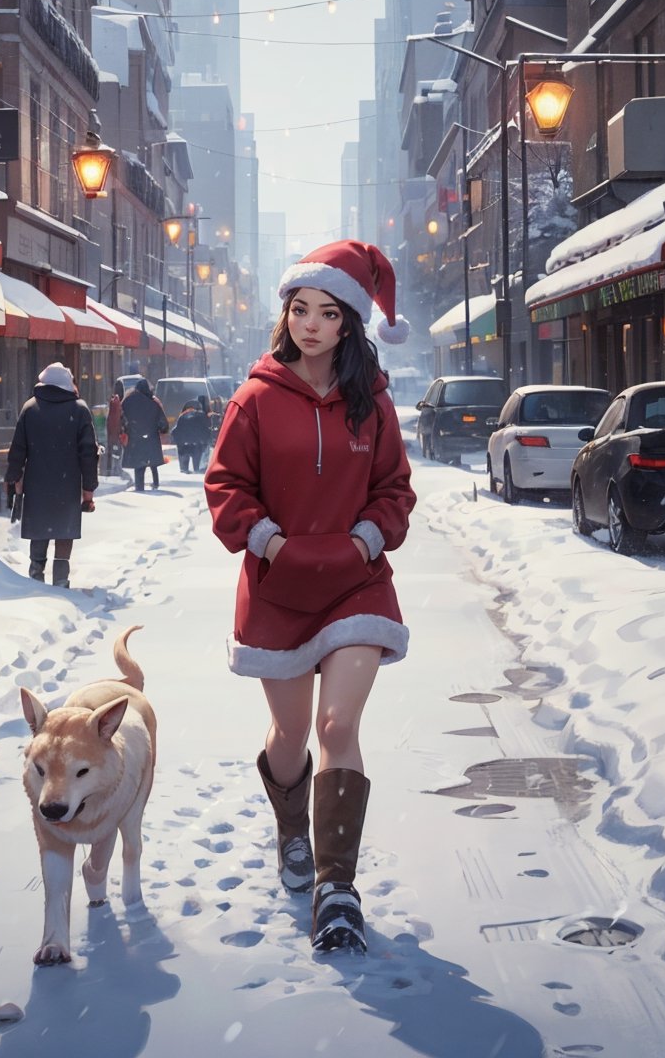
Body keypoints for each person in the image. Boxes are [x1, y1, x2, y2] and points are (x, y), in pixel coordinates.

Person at [204, 241, 416, 956]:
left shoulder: (374, 402)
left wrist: (363, 541)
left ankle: (337, 889)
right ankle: (292, 827)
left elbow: (395, 490)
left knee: (335, 728)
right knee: (291, 737)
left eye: (329, 313)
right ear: (287, 313)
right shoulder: (256, 397)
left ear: (351, 324)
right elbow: (226, 486)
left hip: (356, 584)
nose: (312, 325)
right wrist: (267, 542)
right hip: (278, 590)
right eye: (301, 310)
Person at [4, 363, 99, 588]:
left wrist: (13, 476)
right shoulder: (79, 410)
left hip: (36, 483)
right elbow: (88, 453)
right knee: (63, 529)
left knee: (40, 528)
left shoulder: (30, 408)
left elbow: (18, 448)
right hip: (68, 484)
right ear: (68, 384)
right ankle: (61, 579)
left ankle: (36, 574)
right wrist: (89, 489)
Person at [120, 377, 169, 491]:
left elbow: (121, 418)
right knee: (152, 461)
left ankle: (139, 486)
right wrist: (160, 430)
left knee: (138, 465)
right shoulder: (153, 403)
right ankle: (155, 483)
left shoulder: (128, 401)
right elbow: (163, 424)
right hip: (150, 438)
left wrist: (126, 429)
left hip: (134, 438)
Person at [172, 400, 212, 473]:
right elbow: (207, 428)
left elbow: (175, 430)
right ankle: (196, 468)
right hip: (197, 442)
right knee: (197, 457)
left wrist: (178, 441)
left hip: (184, 442)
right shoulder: (202, 415)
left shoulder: (182, 416)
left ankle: (184, 468)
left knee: (184, 455)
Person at [105, 383, 124, 476]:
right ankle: (116, 469)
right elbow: (117, 417)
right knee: (117, 450)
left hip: (111, 428)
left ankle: (110, 468)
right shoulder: (118, 401)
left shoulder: (113, 400)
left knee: (111, 449)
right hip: (116, 429)